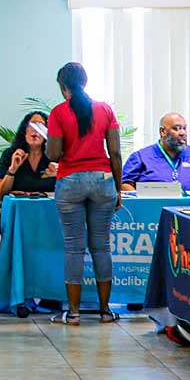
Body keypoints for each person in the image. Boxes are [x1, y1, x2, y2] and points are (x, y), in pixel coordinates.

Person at [45, 62, 124, 326]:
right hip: (103, 181)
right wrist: (118, 187)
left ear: (62, 86)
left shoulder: (57, 113)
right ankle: (105, 311)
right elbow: (115, 152)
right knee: (101, 246)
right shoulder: (105, 110)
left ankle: (75, 313)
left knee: (73, 248)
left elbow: (54, 154)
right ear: (85, 82)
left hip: (70, 182)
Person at [120, 112, 190, 194]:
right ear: (163, 131)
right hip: (152, 212)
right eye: (176, 129)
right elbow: (124, 184)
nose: (182, 133)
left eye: (184, 128)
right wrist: (143, 200)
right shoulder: (141, 157)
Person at [0, 111, 57, 201]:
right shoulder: (10, 154)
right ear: (24, 130)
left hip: (46, 209)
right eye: (32, 125)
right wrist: (12, 170)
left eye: (41, 125)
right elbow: (0, 195)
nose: (36, 130)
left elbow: (68, 194)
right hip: (17, 209)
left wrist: (60, 175)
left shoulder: (55, 156)